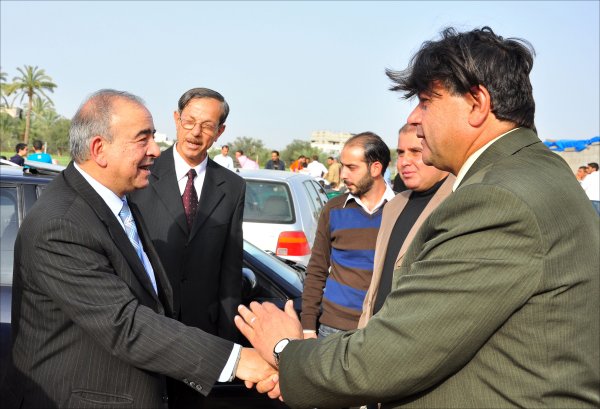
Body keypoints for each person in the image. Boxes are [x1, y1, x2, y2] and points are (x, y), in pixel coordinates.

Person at [235, 26, 599, 409]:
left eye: (426, 101)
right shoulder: (536, 172)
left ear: (477, 103)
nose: (414, 118)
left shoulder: (496, 199)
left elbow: (387, 358)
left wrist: (283, 349)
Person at [0, 89, 273, 409]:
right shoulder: (62, 224)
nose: (155, 150)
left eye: (153, 137)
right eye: (143, 139)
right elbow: (124, 324)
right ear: (99, 149)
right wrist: (237, 360)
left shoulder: (119, 203)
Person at [128, 87, 246, 408]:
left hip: (200, 335)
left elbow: (230, 267)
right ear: (176, 119)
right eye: (190, 121)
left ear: (220, 131)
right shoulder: (142, 171)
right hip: (145, 325)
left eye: (207, 126)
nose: (195, 132)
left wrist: (225, 340)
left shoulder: (233, 187)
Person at [301, 132, 395, 339]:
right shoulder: (334, 209)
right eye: (342, 166)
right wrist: (308, 327)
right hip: (332, 329)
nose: (343, 174)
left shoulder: (401, 211)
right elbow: (316, 270)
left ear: (376, 168)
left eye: (352, 167)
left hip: (383, 330)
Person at [358, 124, 453, 327]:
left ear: (438, 151)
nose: (404, 161)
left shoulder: (458, 203)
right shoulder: (394, 206)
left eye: (416, 151)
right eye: (401, 153)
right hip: (374, 333)